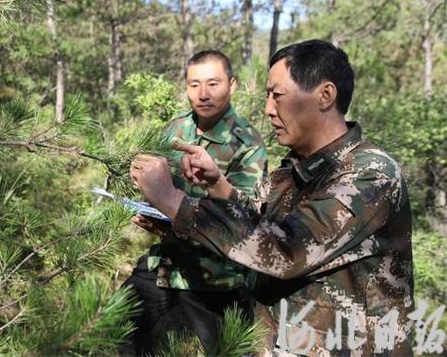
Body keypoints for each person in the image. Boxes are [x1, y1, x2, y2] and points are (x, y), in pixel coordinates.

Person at [130, 40, 414, 356]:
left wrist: (173, 201)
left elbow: (285, 249)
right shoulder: (296, 170)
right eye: (268, 95)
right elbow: (257, 224)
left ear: (325, 95)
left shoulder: (369, 174)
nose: (267, 109)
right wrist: (217, 187)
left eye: (277, 96)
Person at [124, 50, 268, 354]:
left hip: (218, 276)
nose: (203, 94)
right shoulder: (175, 130)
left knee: (226, 351)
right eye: (194, 84)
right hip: (167, 263)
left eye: (213, 84)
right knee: (119, 327)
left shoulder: (247, 143)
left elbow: (245, 219)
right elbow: (162, 190)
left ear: (233, 85)